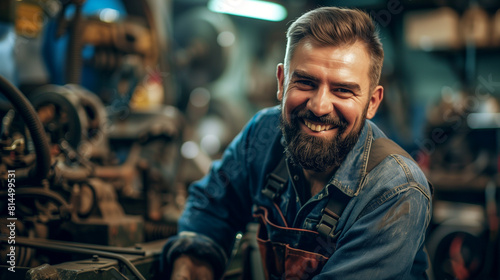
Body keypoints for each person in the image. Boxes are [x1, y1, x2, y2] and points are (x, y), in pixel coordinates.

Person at [162, 6, 432, 280]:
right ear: (282, 82)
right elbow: (212, 203)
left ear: (372, 102)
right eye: (305, 83)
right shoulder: (263, 134)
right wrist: (193, 259)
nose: (319, 106)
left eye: (342, 90)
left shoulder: (396, 190)